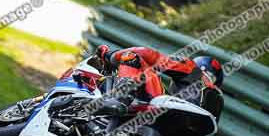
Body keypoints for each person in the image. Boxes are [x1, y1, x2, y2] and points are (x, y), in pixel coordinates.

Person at [91, 44, 224, 103]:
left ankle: (119, 98)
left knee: (131, 57)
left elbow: (145, 52)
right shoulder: (216, 104)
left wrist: (109, 55)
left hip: (160, 114)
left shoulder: (193, 71)